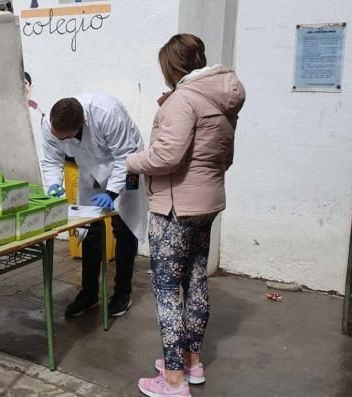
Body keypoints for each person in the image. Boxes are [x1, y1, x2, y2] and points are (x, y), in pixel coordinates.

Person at [127, 34, 245, 397]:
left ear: (172, 65)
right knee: (195, 281)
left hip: (175, 209)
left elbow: (166, 157)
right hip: (207, 204)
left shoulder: (184, 100)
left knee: (165, 289)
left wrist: (131, 161)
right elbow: (225, 158)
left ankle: (174, 380)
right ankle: (191, 363)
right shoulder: (222, 99)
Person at [41, 93, 148, 318]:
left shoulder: (107, 113)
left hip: (126, 165)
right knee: (88, 228)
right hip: (90, 167)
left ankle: (122, 293)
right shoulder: (50, 124)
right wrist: (52, 184)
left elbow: (124, 157)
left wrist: (111, 192)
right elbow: (51, 159)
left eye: (65, 138)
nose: (60, 142)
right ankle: (89, 294)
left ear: (82, 124)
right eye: (57, 137)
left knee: (124, 226)